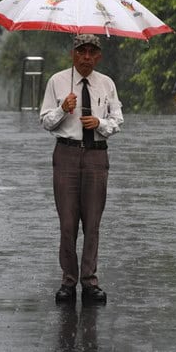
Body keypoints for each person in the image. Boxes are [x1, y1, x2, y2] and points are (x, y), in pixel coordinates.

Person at [40, 34, 124, 304]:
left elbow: (117, 120)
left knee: (93, 222)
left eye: (92, 52)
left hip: (96, 157)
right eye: (81, 51)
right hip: (66, 154)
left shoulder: (106, 84)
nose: (86, 57)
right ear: (72, 54)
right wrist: (63, 109)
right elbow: (45, 121)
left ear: (98, 56)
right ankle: (68, 281)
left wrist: (98, 123)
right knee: (67, 223)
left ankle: (90, 281)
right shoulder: (57, 81)